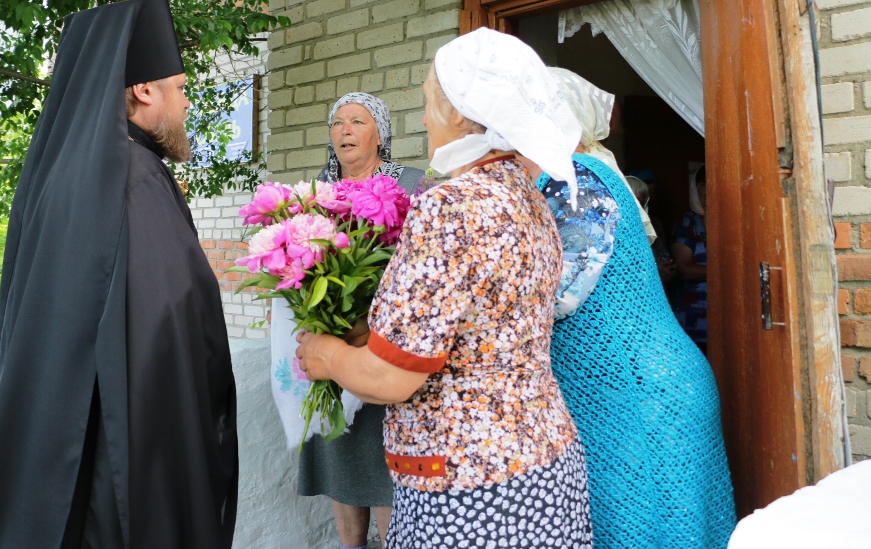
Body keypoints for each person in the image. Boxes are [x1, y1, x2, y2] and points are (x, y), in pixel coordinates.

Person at [0, 0, 238, 549]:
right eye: (180, 89)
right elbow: (171, 320)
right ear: (143, 90)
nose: (185, 105)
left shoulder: (60, 175)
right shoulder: (136, 174)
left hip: (57, 441)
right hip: (122, 456)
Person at [297, 28, 593, 549]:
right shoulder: (525, 197)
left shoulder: (449, 204)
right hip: (545, 463)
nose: (423, 118)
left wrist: (325, 354)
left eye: (428, 100)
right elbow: (477, 325)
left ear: (459, 113)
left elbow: (389, 379)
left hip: (469, 488)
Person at [539, 74, 734, 549]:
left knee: (652, 531)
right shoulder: (585, 172)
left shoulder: (574, 178)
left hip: (642, 398)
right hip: (640, 392)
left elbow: (561, 295)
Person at [294, 92, 423, 549]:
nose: (344, 130)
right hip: (332, 350)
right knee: (340, 455)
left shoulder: (412, 185)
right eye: (337, 123)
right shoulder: (314, 194)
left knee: (381, 465)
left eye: (357, 121)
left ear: (380, 134)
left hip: (384, 349)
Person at [672, 165, 709, 352]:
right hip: (694, 319)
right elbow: (683, 269)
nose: (708, 190)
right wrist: (726, 272)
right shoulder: (688, 222)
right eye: (703, 185)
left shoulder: (733, 220)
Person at [624, 175, 676, 283]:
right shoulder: (612, 233)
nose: (637, 206)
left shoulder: (651, 225)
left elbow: (662, 255)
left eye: (641, 202)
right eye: (632, 200)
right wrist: (653, 270)